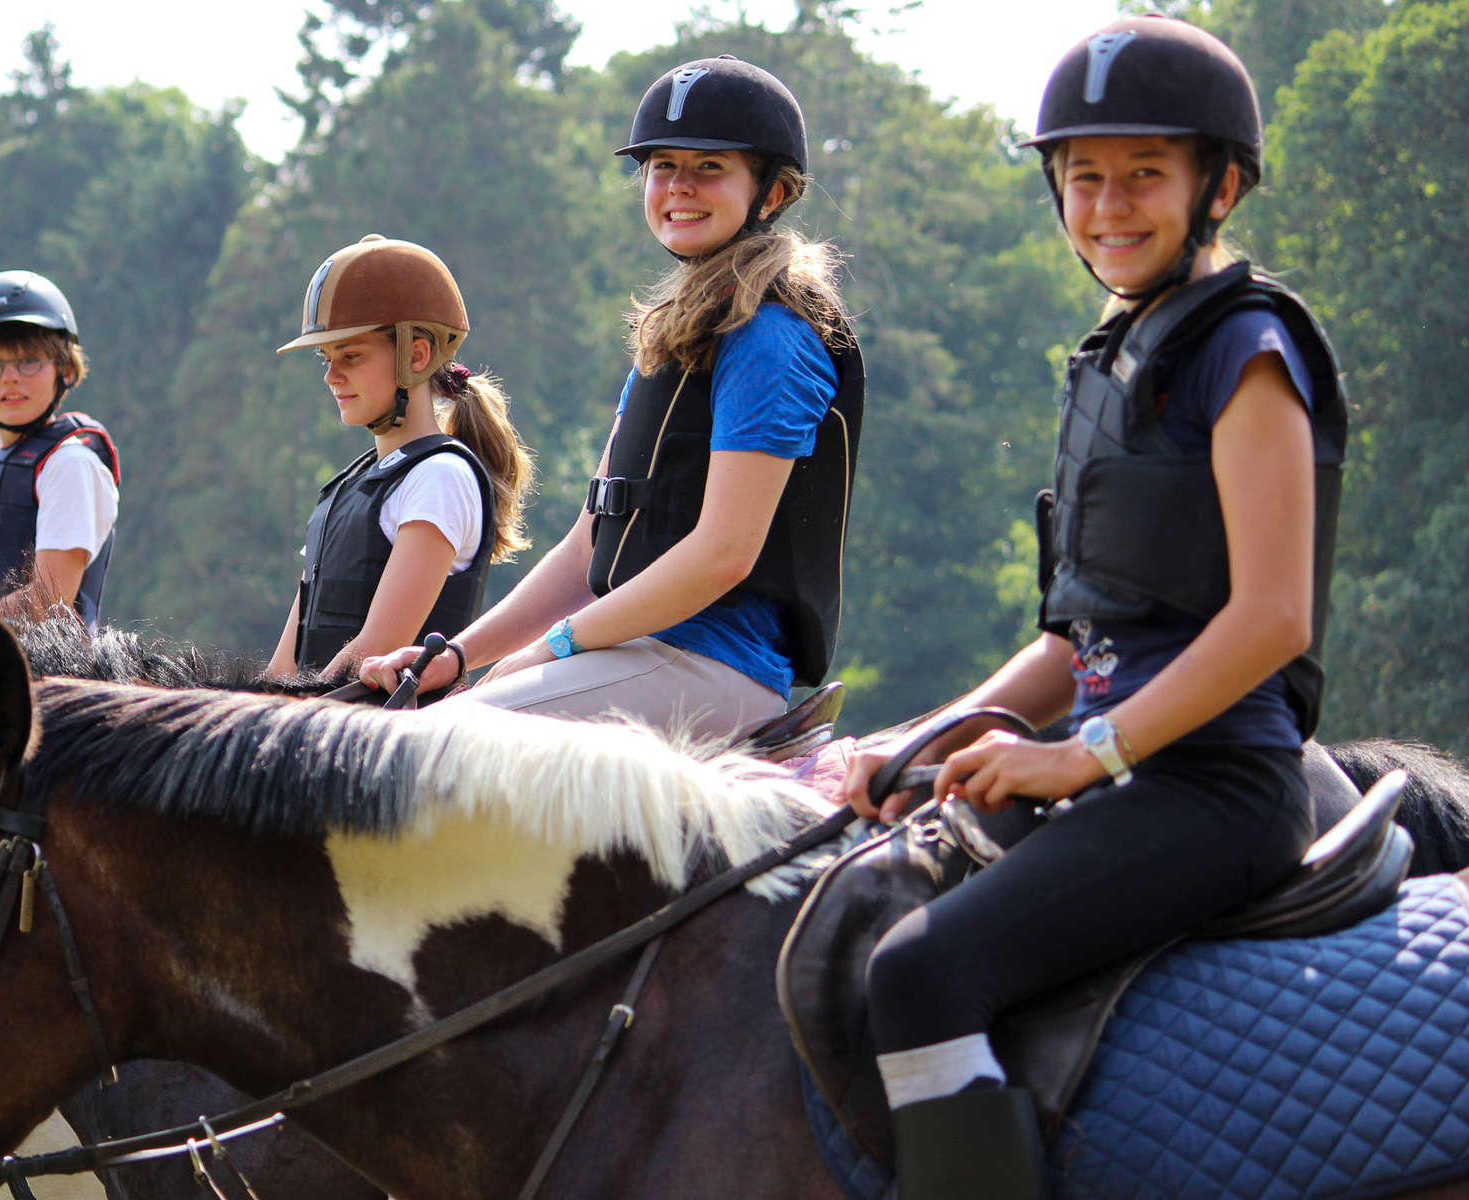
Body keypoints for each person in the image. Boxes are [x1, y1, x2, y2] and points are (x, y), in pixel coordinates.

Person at [830, 17, 1347, 1196]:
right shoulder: (1121, 353)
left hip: (1215, 785)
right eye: (1083, 178)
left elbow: (1274, 618)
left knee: (917, 976)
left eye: (1143, 176)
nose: (1108, 205)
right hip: (1121, 762)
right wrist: (933, 733)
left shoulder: (1248, 354)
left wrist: (1082, 760)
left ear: (1218, 186)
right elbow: (1079, 638)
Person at [361, 56, 864, 741]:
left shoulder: (770, 338)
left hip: (709, 666)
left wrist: (555, 645)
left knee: (425, 746)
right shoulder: (679, 337)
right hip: (632, 651)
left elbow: (724, 554)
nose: (678, 187)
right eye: (662, 166)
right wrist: (459, 654)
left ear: (771, 194)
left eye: (709, 167)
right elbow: (586, 547)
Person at [268, 234, 534, 678]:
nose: (332, 376)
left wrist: (288, 722)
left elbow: (376, 650)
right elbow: (283, 665)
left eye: (350, 355)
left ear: (416, 354)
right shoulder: (348, 485)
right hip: (320, 726)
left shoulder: (441, 478)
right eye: (326, 359)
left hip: (391, 735)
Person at [0, 269, 119, 630]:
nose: (10, 377)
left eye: (28, 361)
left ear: (65, 370)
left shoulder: (70, 465)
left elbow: (49, 600)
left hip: (55, 678)